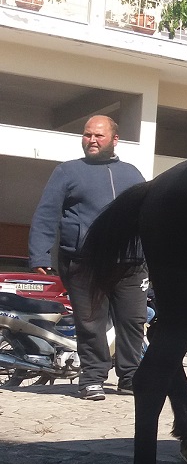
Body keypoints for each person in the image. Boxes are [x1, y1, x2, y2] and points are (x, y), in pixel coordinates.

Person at [28, 115, 147, 401]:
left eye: (99, 135)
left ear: (114, 140)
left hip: (130, 264)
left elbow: (146, 215)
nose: (92, 140)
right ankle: (92, 379)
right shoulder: (67, 171)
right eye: (87, 134)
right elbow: (46, 213)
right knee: (91, 322)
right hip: (84, 262)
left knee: (133, 322)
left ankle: (131, 377)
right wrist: (39, 254)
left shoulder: (132, 173)